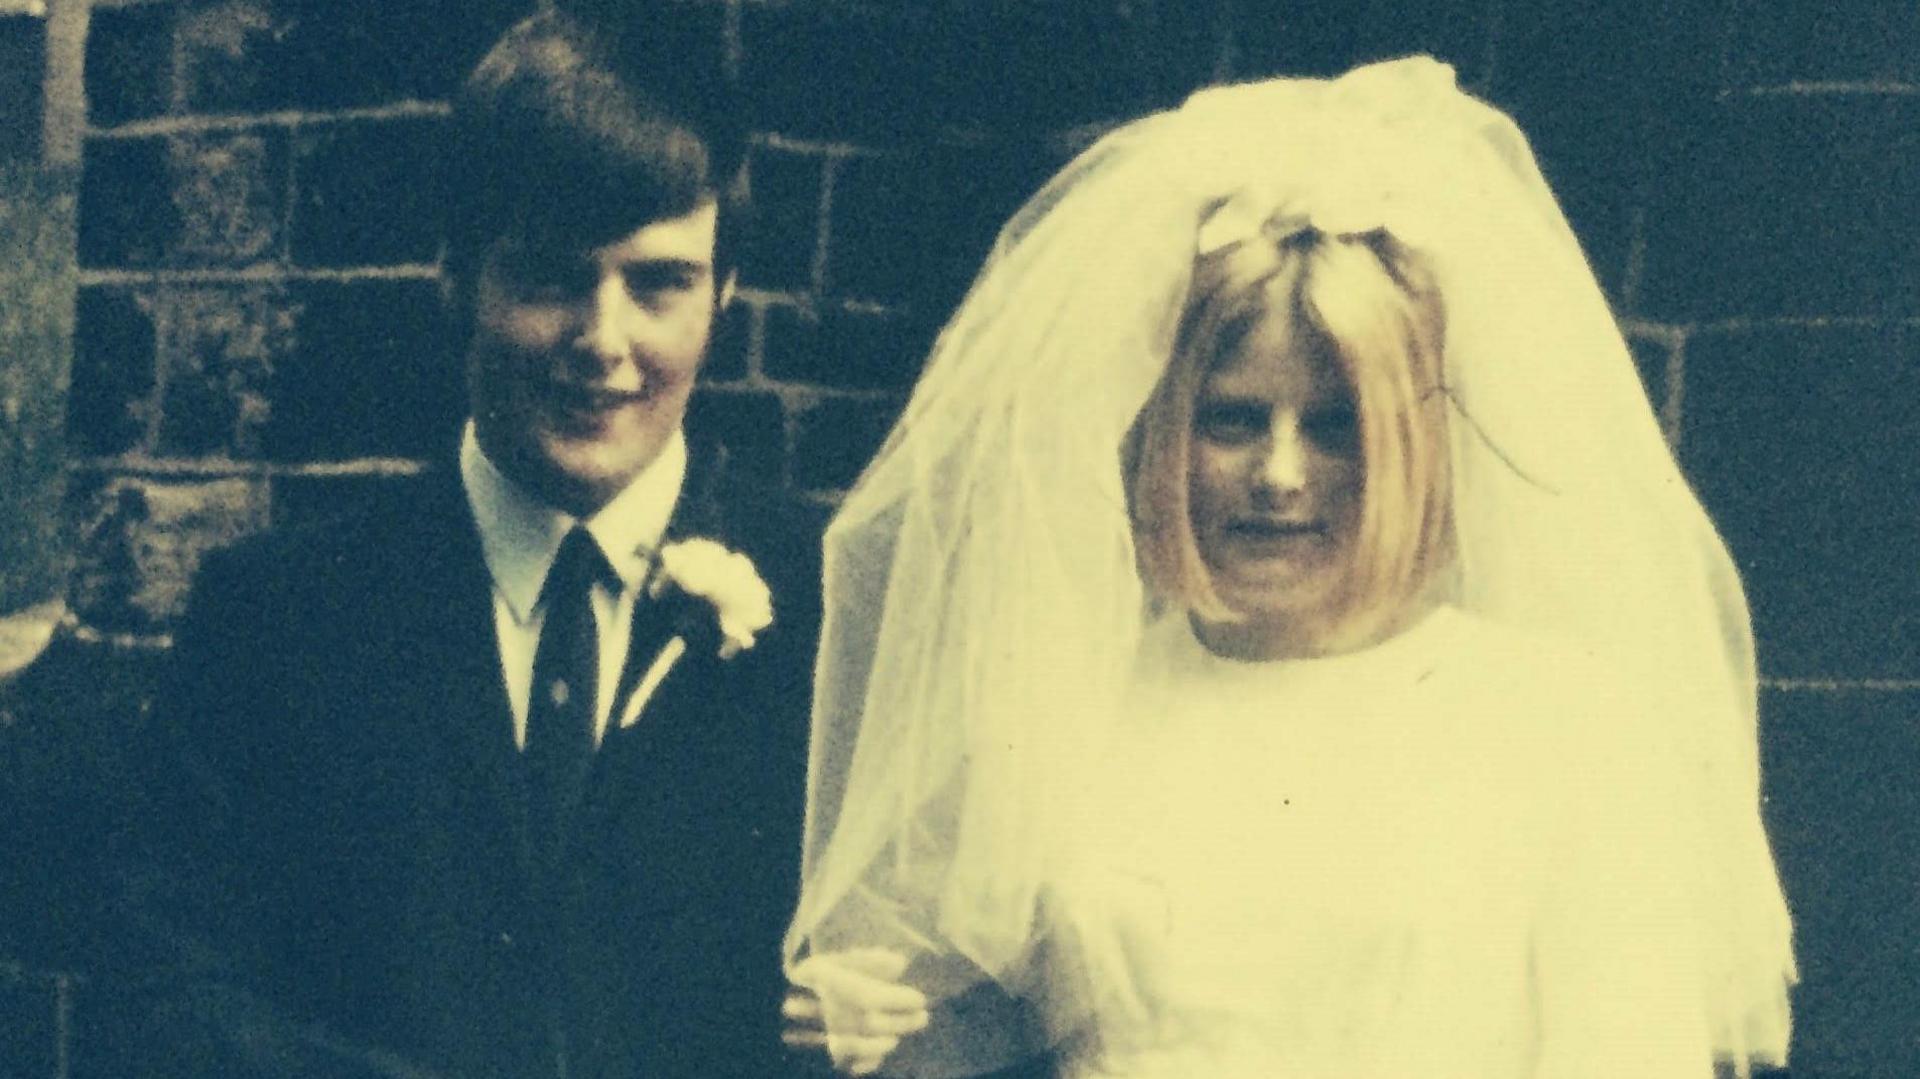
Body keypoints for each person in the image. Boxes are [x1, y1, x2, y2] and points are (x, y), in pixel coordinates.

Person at [784, 58, 1797, 1077]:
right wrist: (888, 1027)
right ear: (1165, 431)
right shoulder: (1073, 706)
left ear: (1412, 442)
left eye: (1334, 425)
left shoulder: (1563, 722)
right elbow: (1014, 1026)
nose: (1278, 473)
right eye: (1232, 420)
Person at [128, 11, 878, 1078]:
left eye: (657, 281)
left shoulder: (840, 609)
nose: (603, 341)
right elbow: (164, 998)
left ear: (723, 298)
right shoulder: (277, 614)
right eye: (549, 276)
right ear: (457, 282)